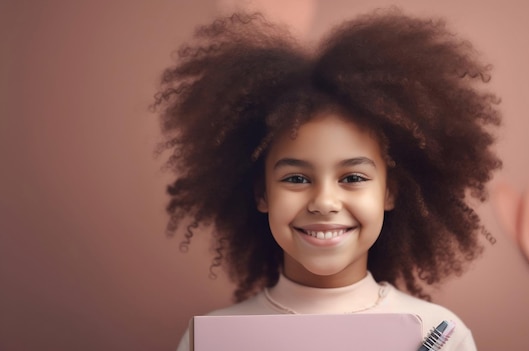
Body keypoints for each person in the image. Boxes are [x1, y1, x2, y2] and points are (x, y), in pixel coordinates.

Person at [152, 8, 501, 351]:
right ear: (262, 193)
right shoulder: (211, 341)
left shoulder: (441, 337)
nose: (324, 202)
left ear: (389, 191)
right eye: (297, 178)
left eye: (351, 177)